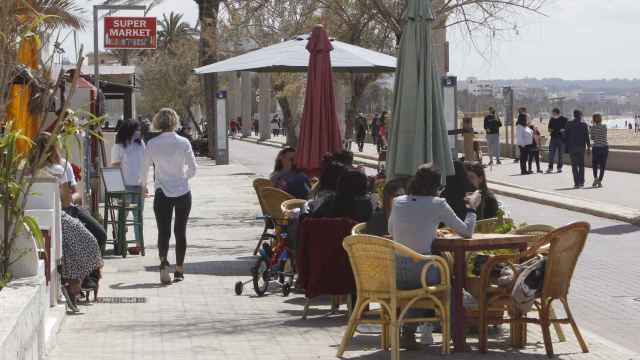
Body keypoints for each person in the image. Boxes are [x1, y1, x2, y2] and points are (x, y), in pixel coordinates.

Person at [388, 164, 480, 349]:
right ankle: (457, 338)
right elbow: (466, 232)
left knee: (419, 284)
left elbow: (392, 230)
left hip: (396, 272)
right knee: (450, 284)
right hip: (422, 271)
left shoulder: (398, 202)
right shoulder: (437, 204)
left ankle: (408, 332)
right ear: (435, 187)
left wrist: (427, 231)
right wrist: (471, 208)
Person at [33, 134, 103, 301]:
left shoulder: (28, 169)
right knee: (90, 241)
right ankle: (77, 282)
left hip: (40, 217)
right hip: (62, 214)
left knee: (76, 241)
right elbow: (66, 200)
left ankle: (78, 282)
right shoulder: (59, 169)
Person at [142, 108, 198, 284]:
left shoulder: (152, 144)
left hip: (162, 192)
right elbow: (193, 168)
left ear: (157, 122)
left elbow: (144, 169)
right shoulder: (184, 142)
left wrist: (144, 186)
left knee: (163, 231)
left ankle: (163, 262)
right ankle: (179, 270)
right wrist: (182, 178)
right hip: (182, 192)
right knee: (180, 231)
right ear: (175, 121)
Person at [111, 119, 146, 245]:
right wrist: (117, 188)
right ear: (129, 130)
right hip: (125, 186)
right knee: (123, 217)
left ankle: (139, 243)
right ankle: (121, 242)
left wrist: (144, 184)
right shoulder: (118, 146)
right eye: (136, 129)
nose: (139, 132)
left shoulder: (141, 145)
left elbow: (144, 165)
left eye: (139, 130)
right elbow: (115, 166)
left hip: (139, 185)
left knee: (138, 216)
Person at [564, 110, 591, 188]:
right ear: (581, 115)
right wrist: (588, 147)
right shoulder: (584, 125)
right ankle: (581, 181)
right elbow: (587, 137)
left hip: (572, 147)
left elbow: (565, 136)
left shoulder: (569, 124)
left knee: (574, 165)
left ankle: (576, 183)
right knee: (581, 165)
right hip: (581, 147)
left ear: (574, 115)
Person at [547, 108, 568, 173]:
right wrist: (551, 130)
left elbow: (567, 128)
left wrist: (563, 130)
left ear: (557, 113)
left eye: (553, 113)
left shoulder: (564, 119)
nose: (553, 114)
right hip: (553, 138)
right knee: (551, 154)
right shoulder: (552, 119)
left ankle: (559, 167)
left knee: (560, 155)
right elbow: (549, 129)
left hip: (562, 139)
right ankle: (550, 167)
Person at [590, 113, 608, 188]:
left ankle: (595, 178)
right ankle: (599, 181)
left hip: (596, 147)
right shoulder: (604, 126)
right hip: (604, 147)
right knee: (602, 165)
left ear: (593, 119)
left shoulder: (593, 127)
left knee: (594, 164)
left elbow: (592, 138)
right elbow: (604, 135)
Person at [515, 108, 533, 175]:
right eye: (525, 118)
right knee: (523, 158)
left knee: (525, 158)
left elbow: (530, 132)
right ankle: (523, 170)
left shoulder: (525, 126)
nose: (526, 119)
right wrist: (523, 144)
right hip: (523, 145)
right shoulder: (519, 126)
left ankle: (525, 170)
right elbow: (519, 136)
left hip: (527, 144)